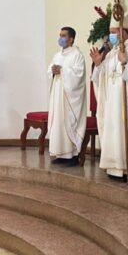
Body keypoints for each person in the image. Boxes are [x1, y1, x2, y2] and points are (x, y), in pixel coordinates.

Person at [90, 0, 128, 182]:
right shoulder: (111, 53)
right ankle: (114, 166)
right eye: (112, 32)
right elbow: (102, 81)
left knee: (127, 132)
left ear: (124, 32)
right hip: (112, 104)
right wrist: (99, 65)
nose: (112, 37)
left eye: (115, 32)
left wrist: (126, 65)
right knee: (113, 131)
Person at [47, 26, 87, 165]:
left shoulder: (77, 55)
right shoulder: (58, 55)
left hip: (70, 99)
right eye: (60, 35)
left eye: (63, 36)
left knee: (68, 123)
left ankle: (73, 155)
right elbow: (51, 70)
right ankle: (60, 154)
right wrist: (53, 70)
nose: (61, 38)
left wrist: (62, 71)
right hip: (58, 95)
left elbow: (79, 76)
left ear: (71, 39)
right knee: (58, 123)